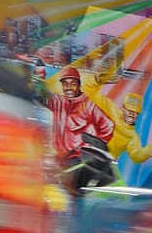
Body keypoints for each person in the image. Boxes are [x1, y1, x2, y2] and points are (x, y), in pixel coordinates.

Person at [43, 67, 116, 195]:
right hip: (60, 159)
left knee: (72, 196)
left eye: (73, 84)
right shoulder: (58, 101)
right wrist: (40, 74)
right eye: (65, 84)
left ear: (79, 85)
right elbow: (42, 96)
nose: (68, 88)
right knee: (53, 195)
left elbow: (108, 126)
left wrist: (95, 146)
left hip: (77, 162)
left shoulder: (88, 105)